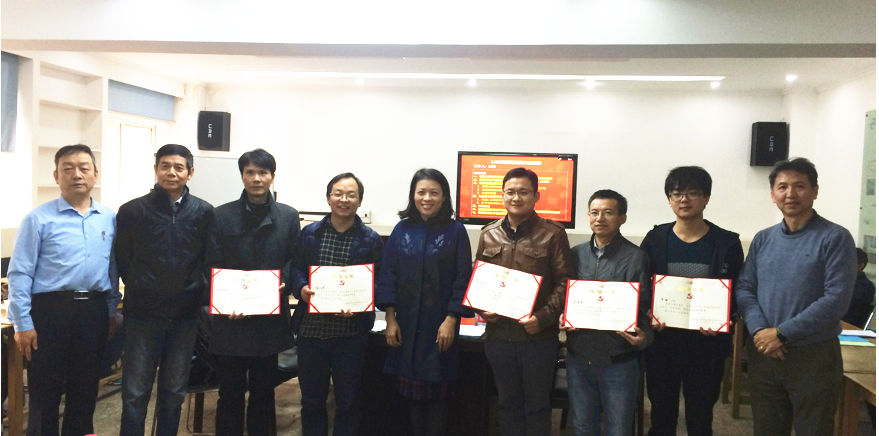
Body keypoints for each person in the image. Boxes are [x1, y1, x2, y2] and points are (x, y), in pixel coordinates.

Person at [736, 157, 856, 436]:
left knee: (813, 430)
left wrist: (782, 334)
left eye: (800, 186)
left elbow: (836, 299)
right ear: (772, 194)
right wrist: (761, 331)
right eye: (782, 187)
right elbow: (745, 288)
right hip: (764, 353)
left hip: (813, 356)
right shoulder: (763, 239)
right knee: (767, 429)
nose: (790, 194)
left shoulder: (835, 238)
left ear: (815, 191)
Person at [7, 144, 122, 435]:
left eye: (84, 168)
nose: (76, 174)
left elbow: (111, 268)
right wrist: (22, 323)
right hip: (50, 312)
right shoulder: (38, 219)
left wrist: (110, 310)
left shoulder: (108, 218)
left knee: (85, 389)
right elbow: (20, 273)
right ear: (56, 176)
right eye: (68, 168)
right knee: (45, 390)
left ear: (95, 174)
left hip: (94, 311)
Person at [115, 144, 215, 436]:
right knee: (135, 393)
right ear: (156, 169)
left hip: (185, 318)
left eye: (179, 167)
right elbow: (123, 260)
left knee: (174, 393)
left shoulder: (204, 212)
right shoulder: (132, 210)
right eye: (165, 166)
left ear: (190, 173)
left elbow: (208, 260)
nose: (171, 172)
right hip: (142, 316)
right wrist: (143, 286)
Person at [640, 166, 744, 436]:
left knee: (700, 418)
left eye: (692, 193)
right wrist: (649, 312)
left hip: (707, 345)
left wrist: (723, 318)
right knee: (661, 417)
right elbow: (643, 285)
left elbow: (738, 290)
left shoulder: (727, 243)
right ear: (669, 200)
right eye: (676, 194)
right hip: (663, 343)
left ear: (706, 198)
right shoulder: (655, 239)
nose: (684, 200)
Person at [204, 149, 299, 436]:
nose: (256, 178)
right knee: (230, 393)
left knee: (263, 392)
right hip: (231, 320)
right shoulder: (221, 215)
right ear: (242, 176)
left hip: (268, 320)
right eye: (250, 172)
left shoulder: (288, 216)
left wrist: (284, 281)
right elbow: (211, 264)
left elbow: (294, 259)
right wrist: (223, 301)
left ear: (272, 176)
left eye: (263, 172)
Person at [474, 167, 574, 436]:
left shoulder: (553, 234)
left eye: (523, 192)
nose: (516, 198)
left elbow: (565, 282)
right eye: (510, 192)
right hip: (499, 338)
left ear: (536, 196)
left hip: (538, 339)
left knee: (537, 406)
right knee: (506, 404)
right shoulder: (489, 233)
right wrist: (482, 308)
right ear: (502, 195)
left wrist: (543, 317)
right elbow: (480, 281)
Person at [375, 168, 473, 436]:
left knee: (438, 394)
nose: (427, 198)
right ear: (413, 195)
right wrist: (390, 319)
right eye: (421, 192)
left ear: (444, 197)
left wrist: (452, 319)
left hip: (440, 325)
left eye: (434, 193)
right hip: (406, 325)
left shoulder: (456, 231)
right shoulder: (401, 229)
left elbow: (463, 277)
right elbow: (388, 275)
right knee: (412, 395)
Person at [291, 173, 384, 436]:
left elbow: (381, 282)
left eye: (351, 195)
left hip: (351, 334)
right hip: (312, 332)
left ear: (359, 201)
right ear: (328, 198)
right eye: (338, 194)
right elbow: (296, 268)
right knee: (312, 401)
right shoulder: (310, 233)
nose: (344, 200)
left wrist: (362, 303)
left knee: (348, 401)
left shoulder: (371, 239)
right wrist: (302, 288)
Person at [561, 190, 652, 436]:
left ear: (622, 218)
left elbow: (645, 307)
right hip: (580, 357)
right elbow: (565, 296)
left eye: (608, 212)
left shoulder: (637, 257)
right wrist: (563, 314)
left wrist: (645, 338)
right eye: (595, 212)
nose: (600, 218)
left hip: (619, 359)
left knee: (618, 429)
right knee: (583, 426)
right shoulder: (575, 254)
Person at [842, 247, 875, 328]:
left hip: (848, 327)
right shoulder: (837, 280)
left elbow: (843, 305)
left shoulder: (866, 286)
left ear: (860, 265)